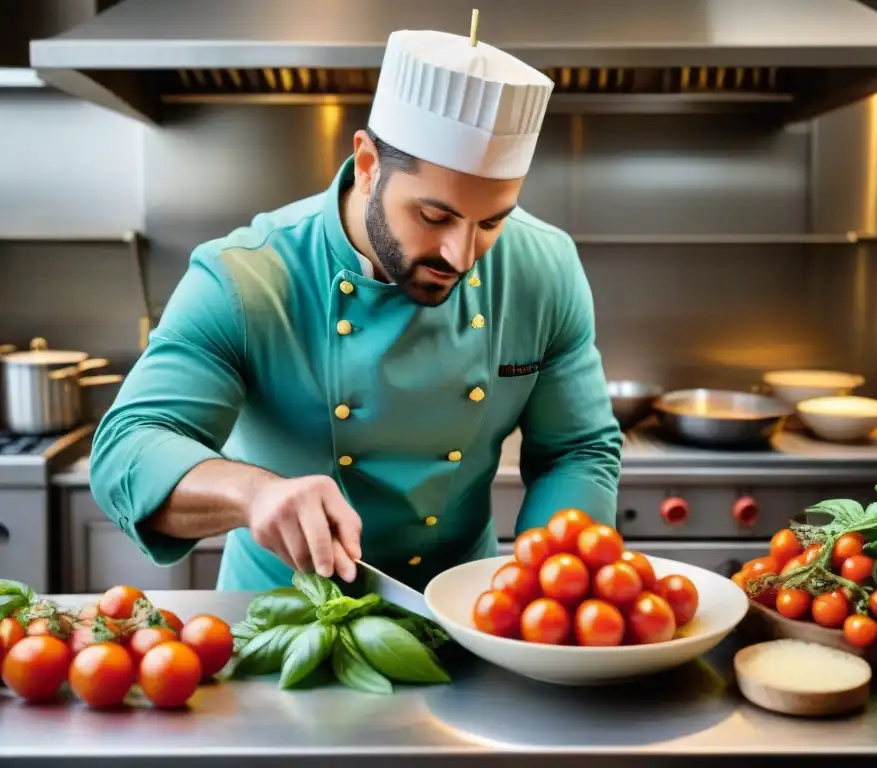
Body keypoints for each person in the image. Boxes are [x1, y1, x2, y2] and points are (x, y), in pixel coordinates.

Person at [88, 24, 623, 593]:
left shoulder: (545, 267)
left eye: (491, 222)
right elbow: (128, 447)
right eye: (434, 217)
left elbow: (577, 449)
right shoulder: (246, 277)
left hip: (466, 611)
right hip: (282, 616)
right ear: (368, 165)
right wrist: (254, 493)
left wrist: (550, 589)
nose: (461, 255)